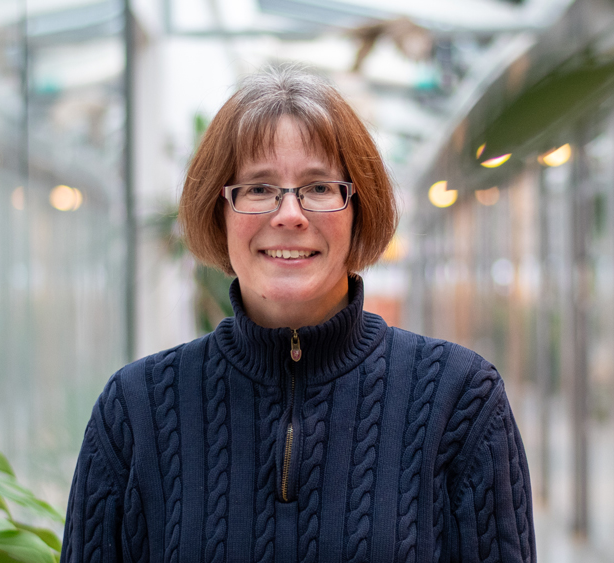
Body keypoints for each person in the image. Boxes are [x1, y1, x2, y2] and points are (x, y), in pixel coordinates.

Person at [61, 66, 536, 563]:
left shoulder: (459, 399)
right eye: (259, 189)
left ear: (359, 209)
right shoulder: (136, 409)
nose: (289, 214)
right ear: (219, 212)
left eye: (319, 187)